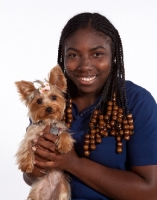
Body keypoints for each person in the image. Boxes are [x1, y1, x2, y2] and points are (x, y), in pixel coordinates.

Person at [23, 12, 157, 200]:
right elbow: (31, 177)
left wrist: (72, 163)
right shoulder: (51, 101)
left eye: (97, 54)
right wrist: (39, 162)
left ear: (114, 56)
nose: (85, 65)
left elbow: (151, 192)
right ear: (63, 56)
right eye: (73, 55)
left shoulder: (137, 102)